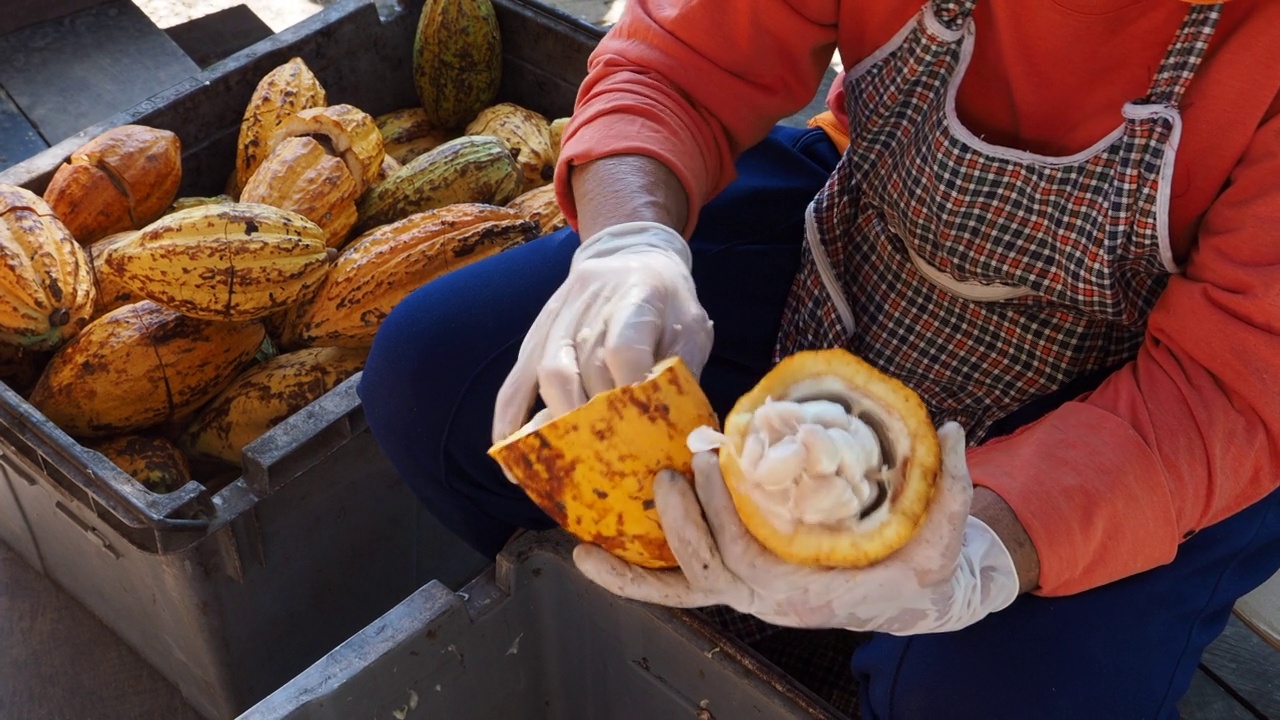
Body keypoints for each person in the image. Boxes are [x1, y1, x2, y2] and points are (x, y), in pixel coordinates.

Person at [359, 0, 1280, 717]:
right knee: (440, 378)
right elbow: (674, 64)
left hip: (1158, 405)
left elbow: (1227, 388)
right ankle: (716, 638)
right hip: (866, 242)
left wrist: (972, 553)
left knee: (992, 699)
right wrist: (629, 245)